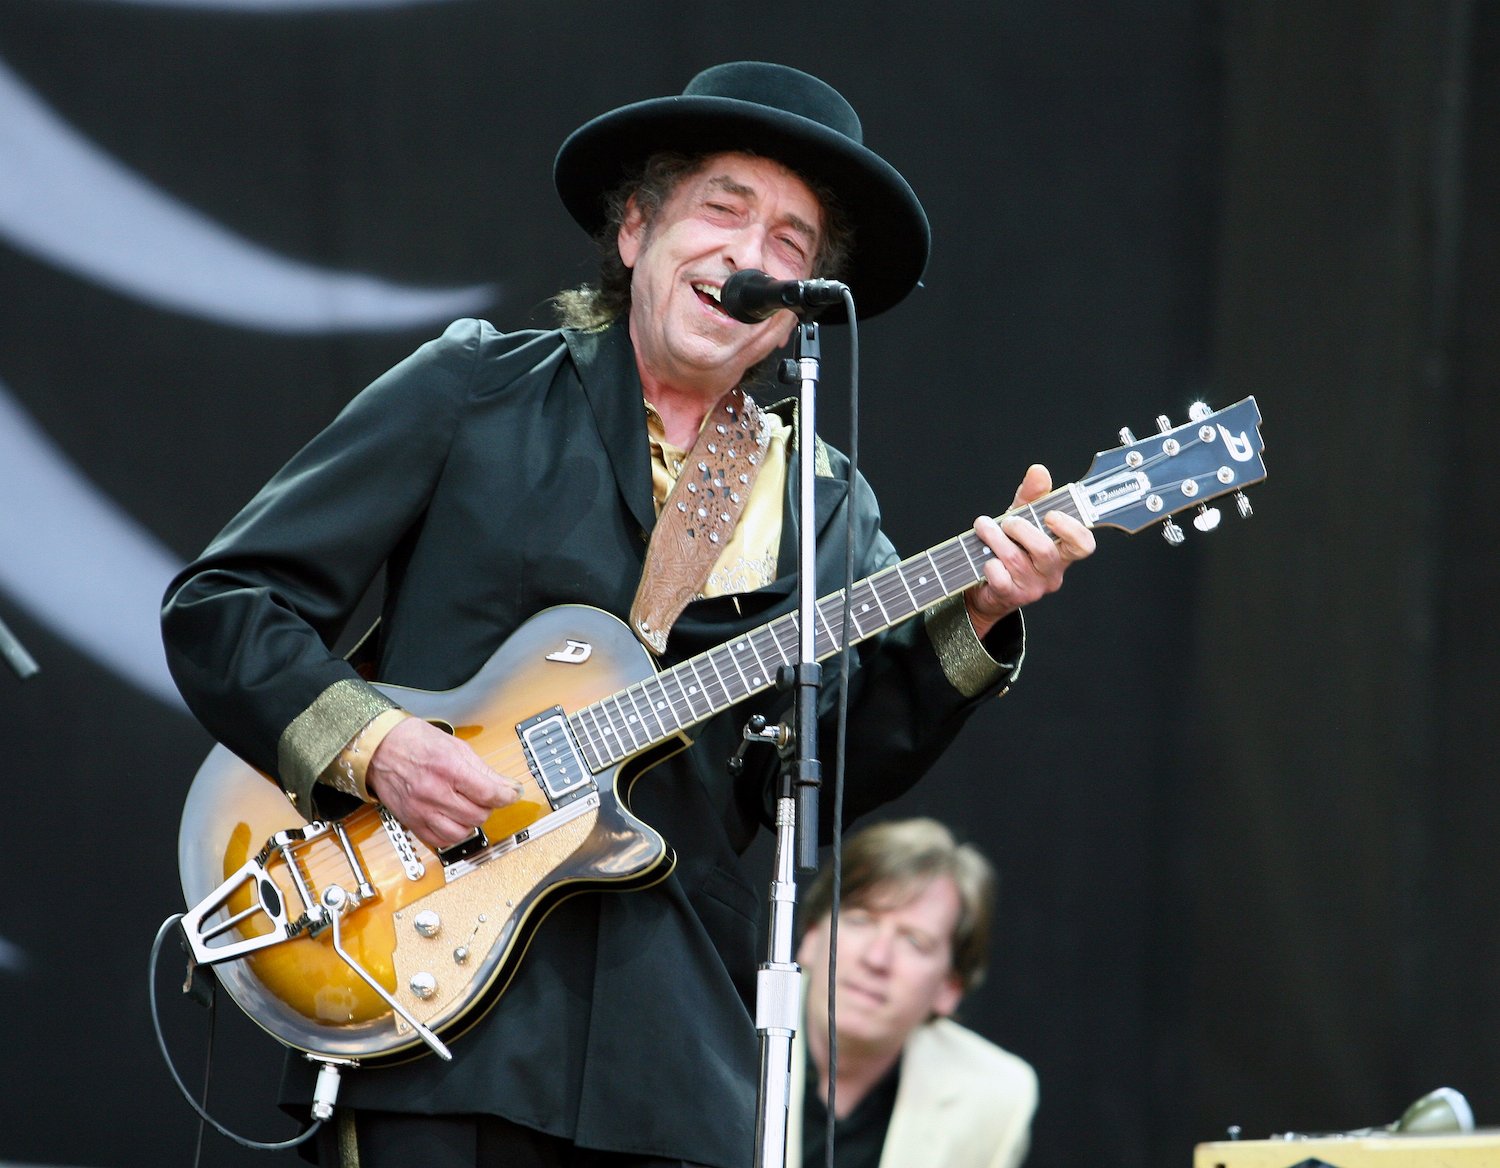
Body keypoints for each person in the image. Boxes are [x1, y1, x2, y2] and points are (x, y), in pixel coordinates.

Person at [161, 60, 1093, 1168]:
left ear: (803, 299)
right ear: (636, 233)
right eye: (723, 210)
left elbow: (817, 769)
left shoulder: (825, 499)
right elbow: (225, 604)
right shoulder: (477, 391)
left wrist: (977, 618)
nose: (752, 256)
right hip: (437, 1019)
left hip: (670, 1060)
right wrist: (379, 748)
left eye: (791, 244)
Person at [791, 818, 1037, 1168]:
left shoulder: (996, 1096)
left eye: (913, 941)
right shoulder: (714, 1038)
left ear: (950, 987)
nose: (877, 958)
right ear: (812, 935)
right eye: (861, 920)